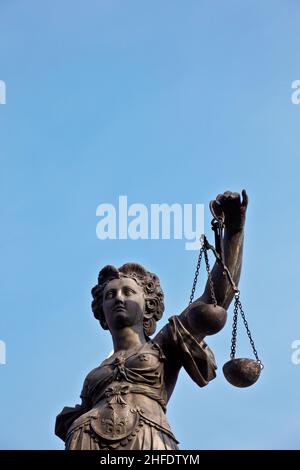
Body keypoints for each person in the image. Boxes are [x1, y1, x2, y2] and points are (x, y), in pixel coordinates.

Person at [55, 190, 248, 450]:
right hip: (85, 441)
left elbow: (216, 298)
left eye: (128, 292)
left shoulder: (164, 344)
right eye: (110, 295)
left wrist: (233, 232)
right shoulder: (95, 374)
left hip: (147, 439)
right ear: (101, 310)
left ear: (148, 306)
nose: (119, 298)